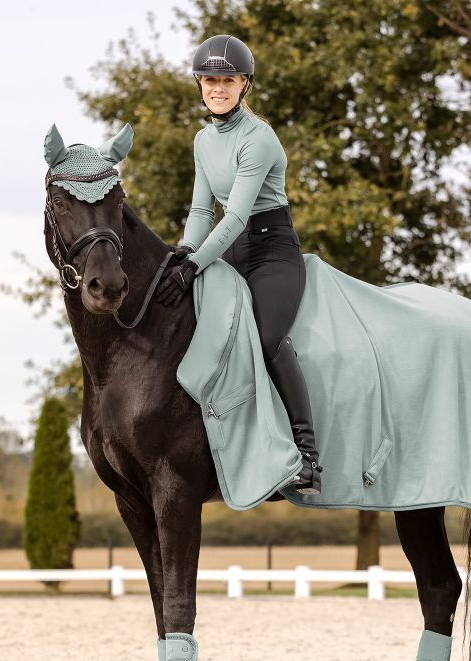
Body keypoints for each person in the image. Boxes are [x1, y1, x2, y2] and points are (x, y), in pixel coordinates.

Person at [156, 34, 323, 494]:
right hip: (227, 251)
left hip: (272, 251)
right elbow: (200, 210)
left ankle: (308, 457)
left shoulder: (259, 138)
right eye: (210, 81)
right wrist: (185, 252)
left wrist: (195, 265)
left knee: (266, 339)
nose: (218, 89)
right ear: (199, 83)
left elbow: (234, 216)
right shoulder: (202, 140)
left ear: (244, 84)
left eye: (227, 80)